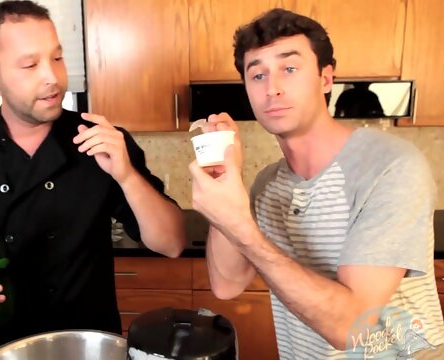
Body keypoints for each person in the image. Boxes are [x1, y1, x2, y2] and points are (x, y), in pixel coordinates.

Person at [0, 1, 186, 358]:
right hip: (2, 347)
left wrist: (127, 175)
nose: (52, 77)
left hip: (91, 345)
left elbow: (172, 243)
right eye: (30, 64)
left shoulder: (100, 140)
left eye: (57, 58)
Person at [189, 8, 444, 359]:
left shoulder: (390, 167)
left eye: (289, 69)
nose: (272, 88)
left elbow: (351, 327)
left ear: (326, 79)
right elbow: (227, 284)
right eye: (257, 75)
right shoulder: (267, 184)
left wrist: (240, 225)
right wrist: (222, 179)